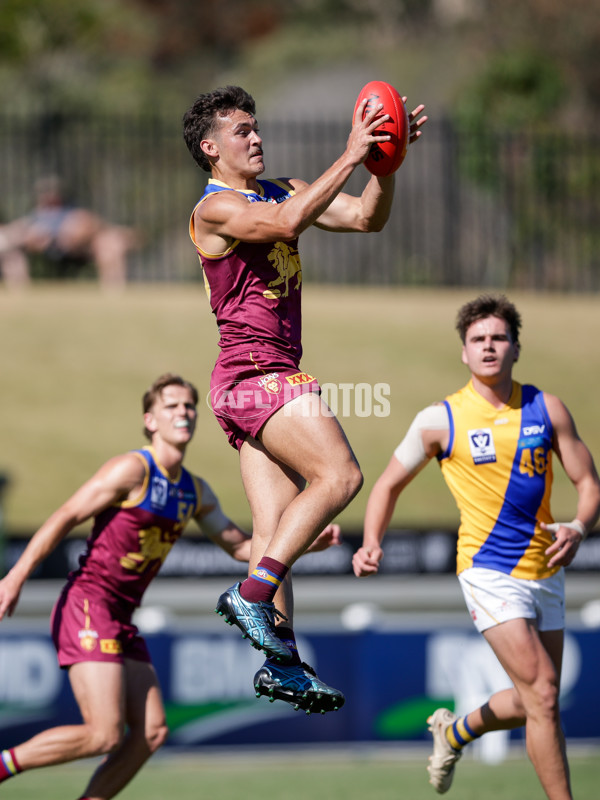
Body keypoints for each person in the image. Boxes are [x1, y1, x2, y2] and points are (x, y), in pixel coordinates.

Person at [182, 85, 427, 702]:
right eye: (242, 131)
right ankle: (251, 596)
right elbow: (288, 224)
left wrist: (385, 165)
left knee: (271, 530)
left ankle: (282, 661)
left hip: (255, 380)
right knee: (341, 478)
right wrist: (350, 152)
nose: (257, 137)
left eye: (257, 127)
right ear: (211, 147)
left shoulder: (285, 187)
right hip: (255, 373)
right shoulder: (213, 209)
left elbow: (368, 217)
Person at [0, 373, 341, 799]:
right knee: (103, 735)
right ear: (150, 420)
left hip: (121, 617)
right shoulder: (132, 469)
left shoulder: (193, 490)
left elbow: (239, 547)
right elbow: (66, 515)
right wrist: (15, 576)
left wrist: (304, 541)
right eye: (172, 406)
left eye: (190, 406)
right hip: (88, 605)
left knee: (152, 733)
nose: (184, 412)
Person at [353, 294, 600, 800]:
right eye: (478, 340)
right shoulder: (438, 420)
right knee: (546, 694)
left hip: (546, 570)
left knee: (538, 700)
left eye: (498, 338)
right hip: (487, 571)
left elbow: (589, 483)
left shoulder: (546, 407)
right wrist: (371, 542)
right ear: (464, 353)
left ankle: (457, 730)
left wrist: (579, 524)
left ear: (516, 348)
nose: (489, 347)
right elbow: (386, 486)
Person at [0, 175, 138, 289]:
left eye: (51, 192)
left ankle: (115, 291)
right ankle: (19, 292)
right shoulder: (36, 215)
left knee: (110, 244)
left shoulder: (72, 211)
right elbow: (19, 230)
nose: (47, 196)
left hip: (77, 248)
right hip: (45, 246)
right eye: (44, 193)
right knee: (9, 248)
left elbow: (91, 225)